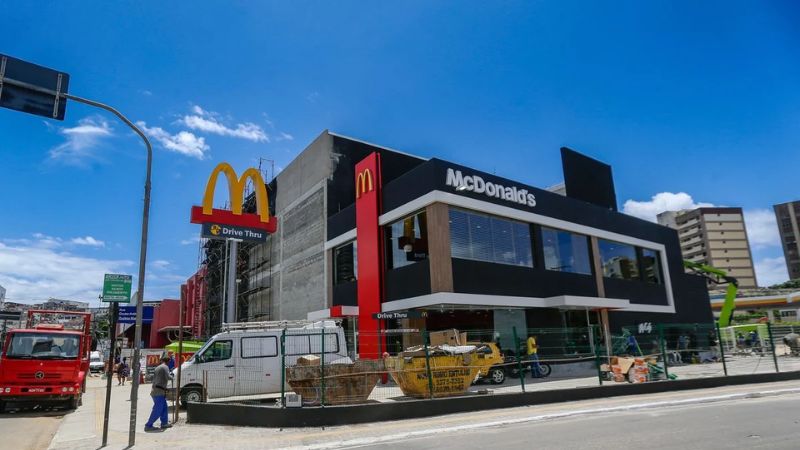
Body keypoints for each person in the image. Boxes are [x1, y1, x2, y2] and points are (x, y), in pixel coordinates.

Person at [145, 355, 174, 432]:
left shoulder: (158, 367)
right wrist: (172, 375)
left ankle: (164, 423)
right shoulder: (165, 367)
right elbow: (168, 377)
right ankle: (148, 425)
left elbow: (156, 379)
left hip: (156, 390)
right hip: (159, 392)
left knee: (164, 408)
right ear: (168, 362)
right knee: (157, 410)